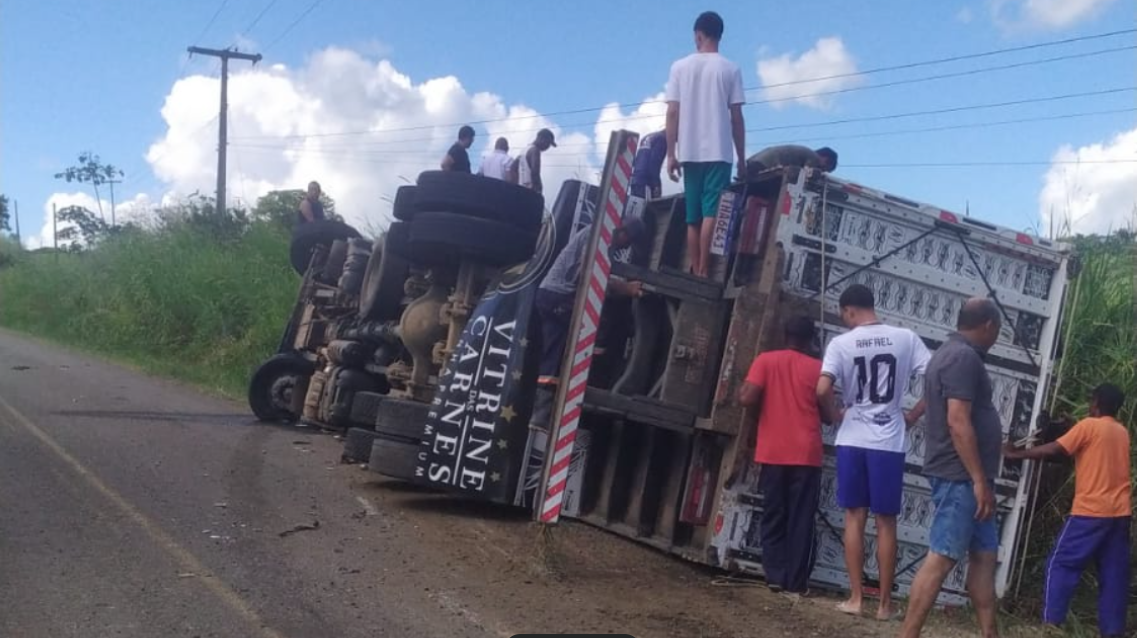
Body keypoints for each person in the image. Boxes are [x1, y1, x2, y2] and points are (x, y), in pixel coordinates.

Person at [816, 284, 930, 621]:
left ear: (849, 309)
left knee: (854, 517)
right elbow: (937, 380)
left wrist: (835, 414)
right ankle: (884, 605)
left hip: (852, 438)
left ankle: (855, 598)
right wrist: (913, 415)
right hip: (888, 441)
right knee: (886, 522)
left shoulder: (841, 344)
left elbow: (822, 389)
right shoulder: (906, 338)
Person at [900, 298, 1004, 638]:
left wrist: (982, 480)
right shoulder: (962, 358)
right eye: (998, 330)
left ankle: (990, 633)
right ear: (988, 325)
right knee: (942, 557)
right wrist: (977, 480)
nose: (997, 336)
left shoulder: (951, 353)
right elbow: (957, 421)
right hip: (961, 477)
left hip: (972, 478)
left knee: (985, 555)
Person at [1003, 384, 1131, 638]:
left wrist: (1018, 454)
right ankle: (1112, 631)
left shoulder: (1088, 426)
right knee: (1113, 574)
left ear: (1096, 402)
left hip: (1090, 512)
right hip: (1120, 514)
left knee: (1061, 563)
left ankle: (1052, 624)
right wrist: (1073, 427)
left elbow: (1056, 449)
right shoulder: (1121, 431)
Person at [738, 315, 825, 597]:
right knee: (801, 518)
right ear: (811, 340)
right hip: (806, 454)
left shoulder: (766, 360)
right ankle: (796, 582)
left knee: (774, 514)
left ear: (784, 335)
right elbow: (827, 414)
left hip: (773, 451)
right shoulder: (818, 368)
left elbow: (747, 398)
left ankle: (775, 576)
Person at [665, 11, 745, 278]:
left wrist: (671, 154)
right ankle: (703, 269)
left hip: (689, 151)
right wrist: (742, 158)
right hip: (719, 151)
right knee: (711, 211)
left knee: (693, 216)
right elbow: (736, 118)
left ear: (698, 35)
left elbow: (672, 113)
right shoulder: (731, 69)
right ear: (720, 36)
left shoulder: (679, 67)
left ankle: (694, 266)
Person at [535, 219, 645, 386]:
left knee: (553, 347)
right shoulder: (598, 236)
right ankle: (593, 372)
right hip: (558, 295)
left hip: (552, 295)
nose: (626, 247)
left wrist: (620, 287)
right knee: (596, 322)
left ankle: (546, 386)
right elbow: (589, 275)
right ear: (623, 233)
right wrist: (625, 288)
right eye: (628, 242)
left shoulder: (603, 240)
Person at [746, 145, 838, 179]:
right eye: (825, 168)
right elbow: (806, 175)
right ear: (825, 158)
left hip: (758, 159)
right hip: (767, 163)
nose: (821, 170)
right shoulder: (814, 157)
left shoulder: (807, 153)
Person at [630, 130, 668, 199]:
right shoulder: (662, 139)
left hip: (636, 180)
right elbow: (654, 164)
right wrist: (656, 185)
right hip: (647, 183)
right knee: (648, 205)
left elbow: (638, 160)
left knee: (636, 204)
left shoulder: (647, 137)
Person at [518, 128, 557, 194]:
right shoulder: (535, 150)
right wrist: (538, 189)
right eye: (548, 143)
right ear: (542, 139)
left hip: (521, 189)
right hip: (530, 191)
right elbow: (535, 172)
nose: (547, 147)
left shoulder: (524, 150)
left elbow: (513, 168)